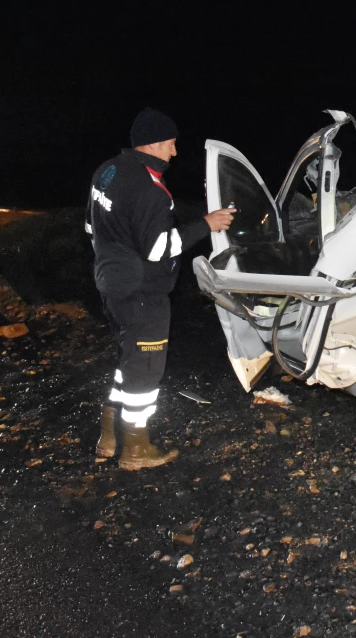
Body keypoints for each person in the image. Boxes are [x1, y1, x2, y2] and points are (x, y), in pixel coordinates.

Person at [86, 108, 235, 469]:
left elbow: (92, 228)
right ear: (153, 144)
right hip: (142, 295)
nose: (174, 152)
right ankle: (135, 448)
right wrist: (205, 225)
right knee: (147, 370)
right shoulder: (151, 191)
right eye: (170, 144)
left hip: (111, 285)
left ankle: (108, 436)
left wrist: (114, 266)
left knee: (128, 361)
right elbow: (157, 249)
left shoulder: (107, 172)